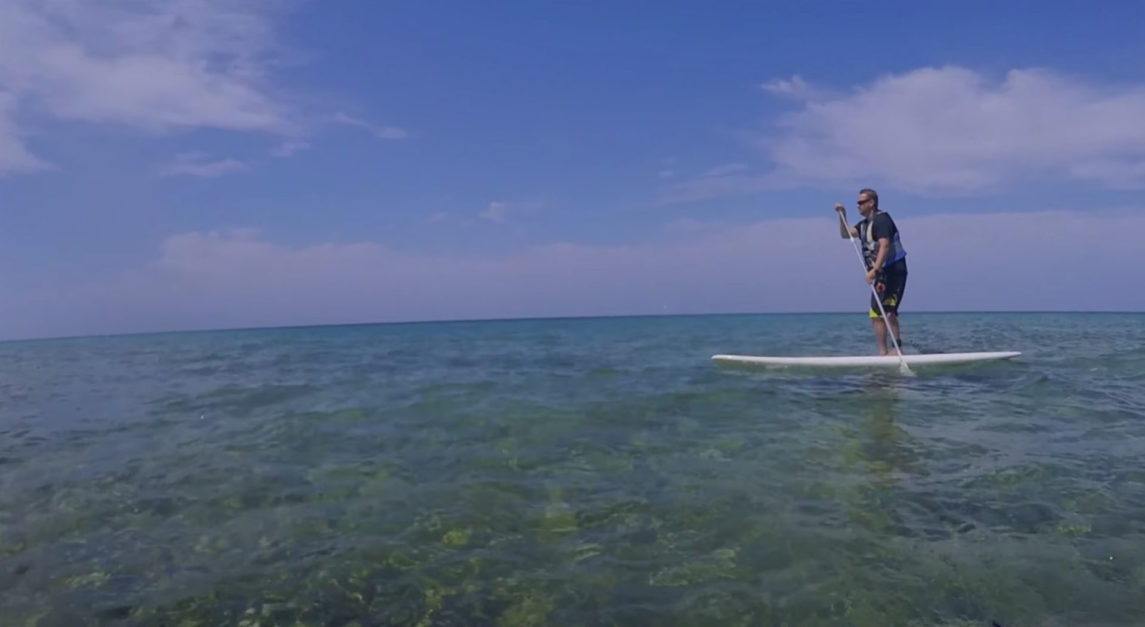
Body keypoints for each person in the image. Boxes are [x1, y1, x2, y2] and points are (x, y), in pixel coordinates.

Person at [834, 188, 908, 355]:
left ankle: (898, 349)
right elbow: (846, 234)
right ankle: (883, 352)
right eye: (857, 203)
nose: (858, 205)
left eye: (861, 202)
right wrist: (842, 215)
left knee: (889, 310)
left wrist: (874, 270)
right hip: (881, 274)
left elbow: (885, 245)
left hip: (894, 271)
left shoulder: (882, 220)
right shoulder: (865, 224)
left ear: (871, 203)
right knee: (876, 312)